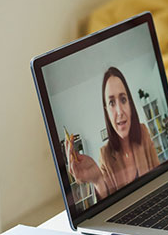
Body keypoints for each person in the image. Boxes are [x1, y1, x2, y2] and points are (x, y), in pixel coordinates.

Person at [66, 67, 160, 200]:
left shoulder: (143, 132)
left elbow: (160, 173)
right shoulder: (105, 156)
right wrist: (97, 179)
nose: (120, 111)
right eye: (111, 102)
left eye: (123, 100)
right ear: (107, 111)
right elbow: (108, 203)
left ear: (130, 103)